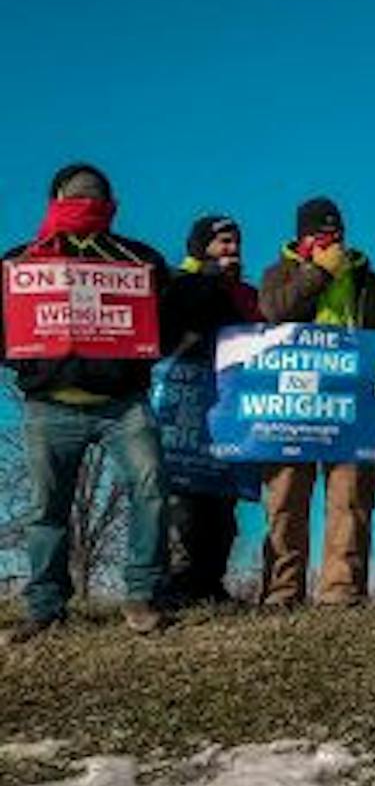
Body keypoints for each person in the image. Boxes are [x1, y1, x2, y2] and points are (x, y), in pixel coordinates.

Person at [1, 163, 171, 640]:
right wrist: (29, 360)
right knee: (46, 508)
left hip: (123, 404)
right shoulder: (21, 261)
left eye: (95, 195)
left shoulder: (139, 260)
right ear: (54, 198)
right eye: (76, 195)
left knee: (151, 486)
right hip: (49, 406)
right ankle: (45, 607)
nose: (86, 203)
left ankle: (142, 595)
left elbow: (170, 315)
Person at [257, 195, 375, 607]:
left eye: (335, 232)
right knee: (285, 500)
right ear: (301, 237)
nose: (330, 240)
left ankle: (342, 592)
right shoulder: (279, 273)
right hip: (291, 410)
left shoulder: (369, 281)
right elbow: (274, 311)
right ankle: (282, 590)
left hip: (350, 409)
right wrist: (317, 273)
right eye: (320, 233)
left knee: (352, 500)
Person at [159, 213, 263, 605]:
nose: (233, 250)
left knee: (223, 500)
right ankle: (178, 583)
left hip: (230, 406)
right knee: (184, 500)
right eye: (223, 242)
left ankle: (210, 584)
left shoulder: (248, 294)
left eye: (236, 242)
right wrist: (209, 279)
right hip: (183, 403)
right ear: (201, 246)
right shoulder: (177, 282)